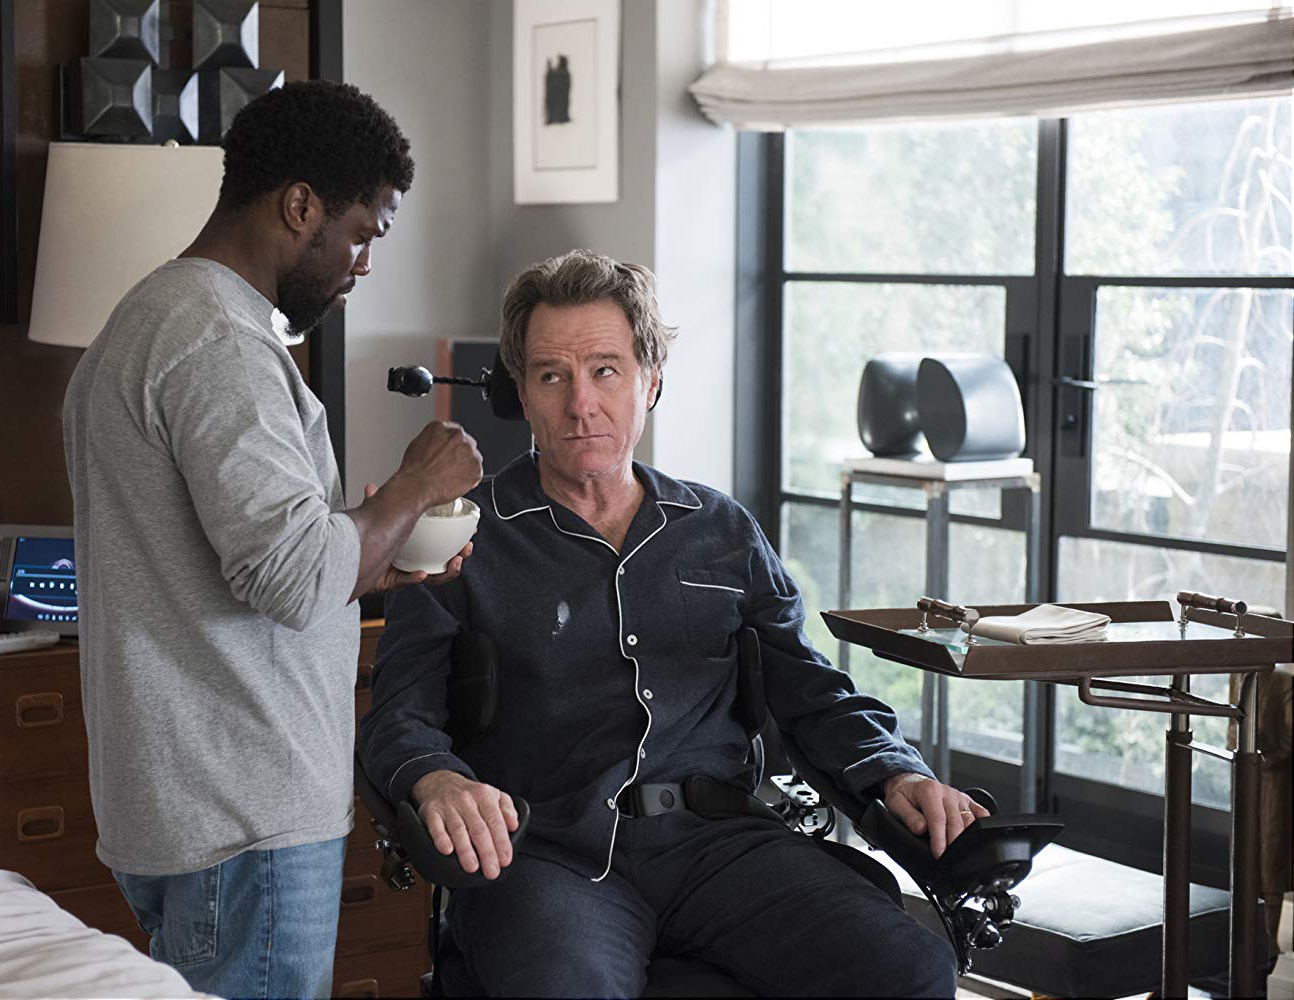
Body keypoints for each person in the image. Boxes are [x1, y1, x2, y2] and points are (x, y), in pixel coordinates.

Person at [358, 249, 980, 998]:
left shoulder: (721, 530)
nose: (580, 404)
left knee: (911, 970)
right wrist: (434, 779)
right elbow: (398, 715)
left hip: (722, 847)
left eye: (605, 371)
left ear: (651, 381)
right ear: (520, 392)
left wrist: (895, 770)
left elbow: (812, 690)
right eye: (551, 376)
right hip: (546, 856)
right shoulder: (457, 535)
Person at [62, 81, 483, 1000]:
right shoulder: (220, 343)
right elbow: (291, 579)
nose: (362, 264)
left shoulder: (151, 317)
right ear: (299, 207)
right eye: (362, 233)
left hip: (187, 802)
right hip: (244, 812)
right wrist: (415, 485)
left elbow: (247, 564)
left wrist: (376, 559)